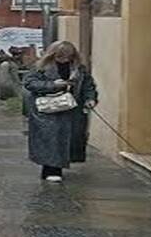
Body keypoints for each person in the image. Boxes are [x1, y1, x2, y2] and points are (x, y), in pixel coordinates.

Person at [23, 41, 98, 183]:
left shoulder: (79, 69)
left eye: (67, 57)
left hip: (71, 110)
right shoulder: (41, 67)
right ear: (52, 55)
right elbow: (30, 83)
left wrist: (90, 99)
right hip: (47, 110)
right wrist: (53, 85)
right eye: (60, 57)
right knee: (50, 139)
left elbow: (89, 86)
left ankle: (55, 168)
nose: (64, 60)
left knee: (65, 140)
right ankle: (52, 170)